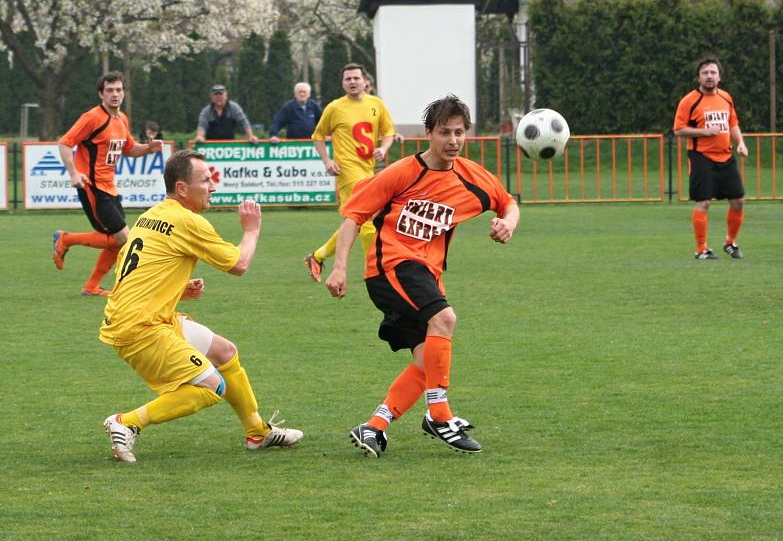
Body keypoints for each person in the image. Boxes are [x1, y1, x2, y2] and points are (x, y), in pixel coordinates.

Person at [325, 95, 520, 456]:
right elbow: (354, 216)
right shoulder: (402, 172)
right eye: (445, 132)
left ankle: (374, 426)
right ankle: (440, 415)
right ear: (429, 133)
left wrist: (507, 223)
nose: (453, 141)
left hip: (425, 274)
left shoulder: (471, 176)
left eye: (460, 133)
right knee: (445, 319)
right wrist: (339, 267)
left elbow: (508, 202)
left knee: (425, 359)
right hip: (391, 266)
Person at [99, 149, 303, 463]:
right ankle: (127, 422)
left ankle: (257, 432)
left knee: (225, 353)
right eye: (206, 180)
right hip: (142, 328)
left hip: (140, 316)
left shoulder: (150, 215)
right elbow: (239, 265)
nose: (213, 186)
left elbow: (134, 275)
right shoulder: (188, 221)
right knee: (211, 387)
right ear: (182, 188)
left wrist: (178, 289)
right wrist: (251, 230)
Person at [52, 71, 164, 296]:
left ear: (124, 93)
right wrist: (73, 173)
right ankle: (65, 239)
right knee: (124, 237)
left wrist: (149, 148)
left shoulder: (121, 119)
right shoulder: (92, 117)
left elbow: (130, 149)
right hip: (92, 186)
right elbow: (64, 143)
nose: (115, 94)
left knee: (118, 242)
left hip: (110, 187)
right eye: (110, 90)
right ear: (101, 94)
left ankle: (91, 286)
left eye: (119, 90)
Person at [303, 63, 396, 282]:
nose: (352, 82)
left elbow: (389, 132)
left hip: (368, 170)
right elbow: (318, 136)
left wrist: (383, 148)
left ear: (365, 81)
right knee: (367, 219)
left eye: (356, 78)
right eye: (348, 79)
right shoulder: (335, 107)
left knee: (355, 221)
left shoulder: (376, 105)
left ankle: (317, 256)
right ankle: (374, 270)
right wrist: (328, 161)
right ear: (343, 83)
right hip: (347, 172)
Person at [674, 56, 748, 260]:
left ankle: (730, 243)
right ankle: (701, 249)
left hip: (726, 156)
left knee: (738, 201)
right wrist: (705, 132)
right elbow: (678, 130)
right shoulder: (689, 101)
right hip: (701, 157)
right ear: (698, 77)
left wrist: (740, 142)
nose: (709, 76)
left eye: (713, 72)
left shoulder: (726, 97)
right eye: (705, 73)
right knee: (704, 203)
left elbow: (733, 123)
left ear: (719, 77)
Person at [195, 84, 260, 145]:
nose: (218, 97)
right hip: (210, 146)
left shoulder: (234, 108)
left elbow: (244, 122)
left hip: (230, 146)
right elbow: (202, 126)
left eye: (221, 94)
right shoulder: (206, 111)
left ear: (226, 95)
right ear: (212, 97)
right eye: (216, 95)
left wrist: (250, 136)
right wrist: (200, 136)